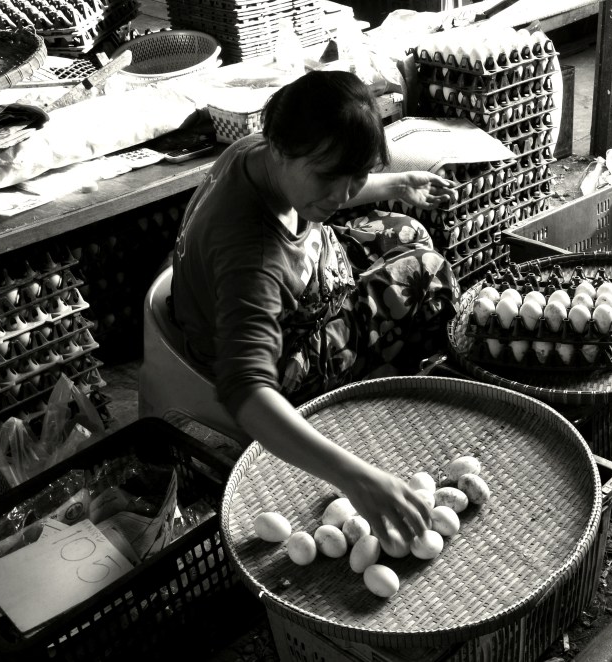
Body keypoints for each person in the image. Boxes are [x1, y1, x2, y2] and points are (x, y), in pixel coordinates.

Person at [171, 70, 460, 543]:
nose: (342, 194)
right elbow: (244, 390)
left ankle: (384, 366)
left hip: (284, 287)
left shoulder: (258, 152)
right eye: (330, 177)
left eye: (358, 176)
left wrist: (397, 184)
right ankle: (376, 415)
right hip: (280, 352)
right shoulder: (254, 255)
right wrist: (356, 478)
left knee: (408, 233)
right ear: (283, 150)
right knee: (427, 277)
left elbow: (332, 185)